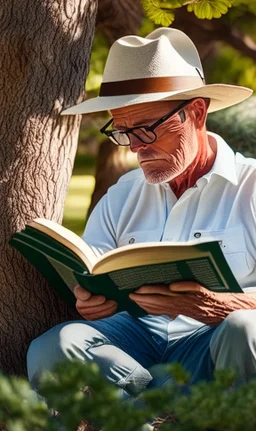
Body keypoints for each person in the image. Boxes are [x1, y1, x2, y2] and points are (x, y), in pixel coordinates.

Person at [27, 27, 256, 397]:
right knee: (57, 344)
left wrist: (218, 306)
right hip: (132, 348)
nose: (135, 148)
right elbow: (90, 269)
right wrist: (88, 298)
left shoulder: (252, 187)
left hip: (215, 347)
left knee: (247, 329)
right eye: (122, 132)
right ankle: (153, 409)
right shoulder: (123, 195)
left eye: (147, 130)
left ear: (196, 113)